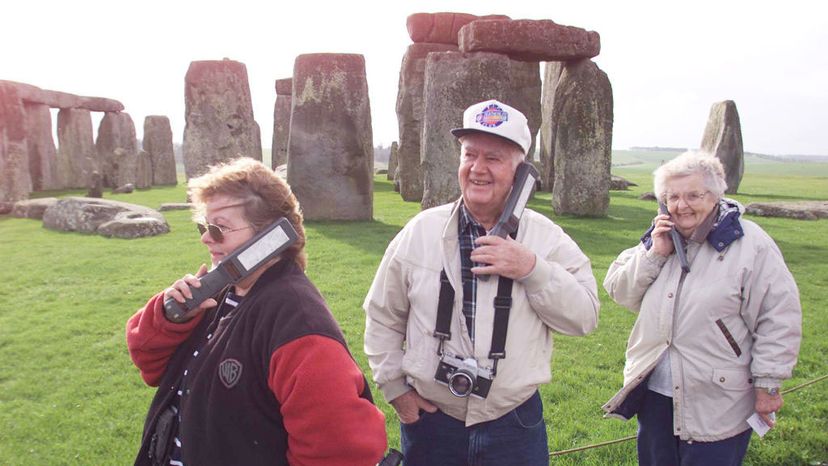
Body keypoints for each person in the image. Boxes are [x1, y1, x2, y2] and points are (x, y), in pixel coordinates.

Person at [363, 99, 600, 465]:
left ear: (521, 170)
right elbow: (382, 315)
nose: (477, 169)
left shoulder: (546, 239)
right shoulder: (420, 231)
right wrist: (395, 389)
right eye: (469, 155)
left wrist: (532, 269)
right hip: (431, 421)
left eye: (494, 158)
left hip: (514, 422)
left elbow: (585, 316)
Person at [126, 157, 387, 466]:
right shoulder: (217, 292)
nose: (205, 238)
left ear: (271, 236)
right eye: (204, 226)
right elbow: (149, 364)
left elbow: (340, 450)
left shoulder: (299, 325)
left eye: (219, 228)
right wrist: (171, 318)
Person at [602, 151, 802, 465]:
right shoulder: (660, 237)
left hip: (718, 398)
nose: (681, 206)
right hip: (655, 394)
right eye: (672, 197)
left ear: (716, 195)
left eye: (694, 195)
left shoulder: (751, 244)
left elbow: (778, 317)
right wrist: (655, 253)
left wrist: (768, 384)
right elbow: (619, 291)